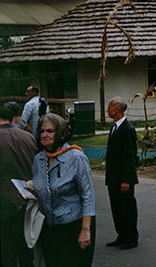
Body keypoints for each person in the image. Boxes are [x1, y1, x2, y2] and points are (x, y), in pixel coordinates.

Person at [32, 113, 96, 267]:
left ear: (60, 133)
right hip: (49, 229)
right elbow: (41, 187)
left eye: (50, 131)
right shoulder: (39, 159)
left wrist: (85, 230)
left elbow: (88, 195)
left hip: (73, 228)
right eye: (42, 131)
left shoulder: (76, 157)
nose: (45, 135)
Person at [0, 101, 37, 267]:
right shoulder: (28, 137)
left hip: (4, 203)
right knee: (26, 249)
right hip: (27, 201)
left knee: (7, 252)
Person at [105, 97, 139, 250]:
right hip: (113, 177)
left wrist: (127, 180)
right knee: (116, 207)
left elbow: (130, 157)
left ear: (117, 109)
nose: (108, 110)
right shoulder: (114, 128)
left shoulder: (127, 129)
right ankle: (121, 234)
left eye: (110, 107)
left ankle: (131, 237)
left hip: (123, 178)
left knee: (127, 207)